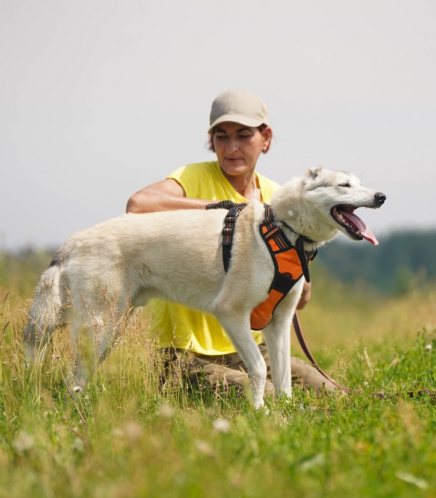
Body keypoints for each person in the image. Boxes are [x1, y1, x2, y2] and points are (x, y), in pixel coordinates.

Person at [126, 89, 339, 396]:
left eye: (243, 135)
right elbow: (138, 204)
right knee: (264, 395)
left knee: (329, 393)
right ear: (211, 140)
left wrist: (299, 279)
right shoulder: (192, 177)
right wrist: (223, 208)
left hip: (249, 349)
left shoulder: (277, 198)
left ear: (265, 139)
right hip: (184, 356)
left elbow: (301, 300)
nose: (232, 147)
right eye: (221, 137)